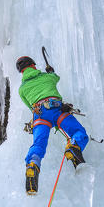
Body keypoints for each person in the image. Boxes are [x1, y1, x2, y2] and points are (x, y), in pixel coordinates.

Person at [16, 56, 89, 194]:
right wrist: (50, 71)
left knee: (38, 144)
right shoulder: (47, 77)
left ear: (21, 72)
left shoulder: (22, 89)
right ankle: (74, 147)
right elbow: (56, 77)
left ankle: (32, 165)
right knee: (79, 132)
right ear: (33, 65)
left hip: (39, 117)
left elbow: (30, 106)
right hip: (56, 111)